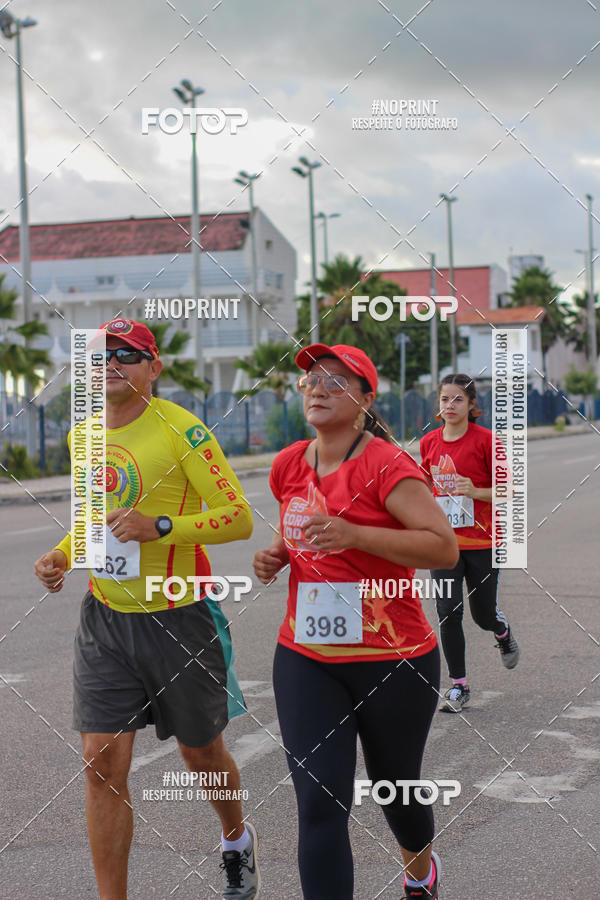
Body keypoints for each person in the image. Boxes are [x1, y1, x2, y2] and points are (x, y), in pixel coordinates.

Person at [33, 318, 260, 900]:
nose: (113, 363)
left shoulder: (183, 432)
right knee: (100, 760)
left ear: (153, 368)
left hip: (180, 618)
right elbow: (92, 520)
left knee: (199, 750)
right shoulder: (82, 436)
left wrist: (157, 526)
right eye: (103, 354)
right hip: (105, 618)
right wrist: (61, 555)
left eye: (128, 354)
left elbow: (237, 517)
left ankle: (235, 838)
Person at [253, 344, 458, 900]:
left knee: (397, 788)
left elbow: (443, 549)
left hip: (394, 659)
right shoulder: (288, 464)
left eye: (337, 381)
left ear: (367, 400)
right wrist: (276, 554)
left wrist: (356, 535)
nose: (317, 388)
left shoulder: (386, 464)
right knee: (320, 803)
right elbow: (300, 528)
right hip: (307, 657)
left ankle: (421, 873)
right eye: (311, 380)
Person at [420, 373, 520, 714]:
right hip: (444, 544)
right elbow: (420, 487)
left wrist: (474, 491)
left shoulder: (487, 442)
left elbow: (508, 491)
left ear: (472, 405)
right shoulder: (429, 443)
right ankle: (459, 686)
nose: (450, 405)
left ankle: (501, 629)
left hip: (483, 543)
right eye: (445, 399)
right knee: (448, 612)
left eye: (458, 399)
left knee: (481, 615)